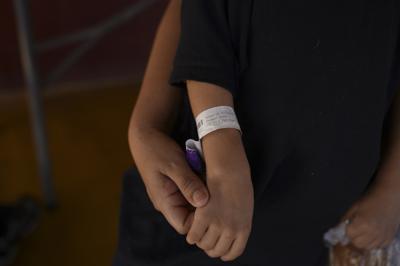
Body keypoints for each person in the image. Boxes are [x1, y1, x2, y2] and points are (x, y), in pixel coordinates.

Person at [114, 0, 400, 265]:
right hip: (195, 190)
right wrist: (147, 125)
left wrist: (392, 190)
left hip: (320, 219)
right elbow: (194, 9)